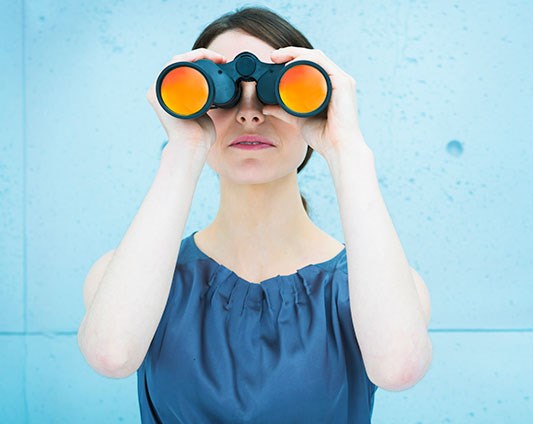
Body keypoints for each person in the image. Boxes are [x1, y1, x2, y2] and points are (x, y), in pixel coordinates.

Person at [77, 6, 432, 423]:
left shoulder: (376, 287)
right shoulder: (130, 278)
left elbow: (398, 369)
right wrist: (184, 149)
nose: (250, 113)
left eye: (272, 90)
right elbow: (111, 355)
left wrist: (346, 148)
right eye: (223, 92)